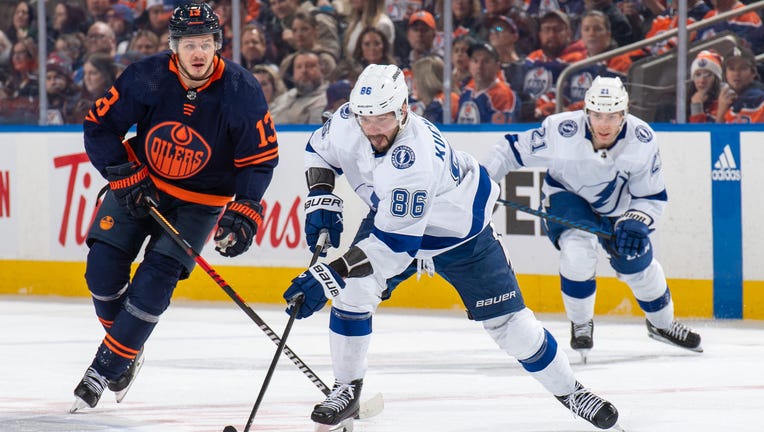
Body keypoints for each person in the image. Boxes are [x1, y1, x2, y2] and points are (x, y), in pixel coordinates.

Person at [281, 64, 619, 431]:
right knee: (354, 292)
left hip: (460, 237)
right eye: (367, 119)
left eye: (383, 118)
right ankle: (347, 389)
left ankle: (572, 392)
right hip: (393, 219)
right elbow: (318, 148)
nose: (374, 128)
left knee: (513, 329)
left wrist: (329, 274)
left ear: (404, 110)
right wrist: (321, 195)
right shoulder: (349, 121)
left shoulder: (414, 159)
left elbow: (395, 247)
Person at [70, 2, 279, 412]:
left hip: (200, 203)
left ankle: (105, 366)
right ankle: (127, 348)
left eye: (205, 43)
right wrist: (123, 172)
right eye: (188, 44)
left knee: (154, 283)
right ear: (174, 46)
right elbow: (99, 126)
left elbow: (259, 159)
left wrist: (247, 207)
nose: (198, 53)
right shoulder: (147, 77)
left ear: (217, 43)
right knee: (101, 274)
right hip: (140, 183)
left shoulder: (241, 89)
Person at [481, 76, 703, 363]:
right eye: (598, 115)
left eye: (612, 115)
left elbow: (651, 196)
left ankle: (662, 324)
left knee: (638, 264)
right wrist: (484, 184)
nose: (604, 124)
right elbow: (508, 150)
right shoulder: (562, 130)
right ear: (587, 112)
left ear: (625, 113)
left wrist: (636, 220)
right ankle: (581, 322)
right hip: (567, 198)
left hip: (621, 208)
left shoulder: (643, 140)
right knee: (577, 252)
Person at [688, 49, 724, 124]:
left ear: (716, 79)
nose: (702, 81)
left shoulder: (725, 101)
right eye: (697, 75)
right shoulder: (684, 102)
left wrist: (697, 108)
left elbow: (700, 134)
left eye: (707, 75)